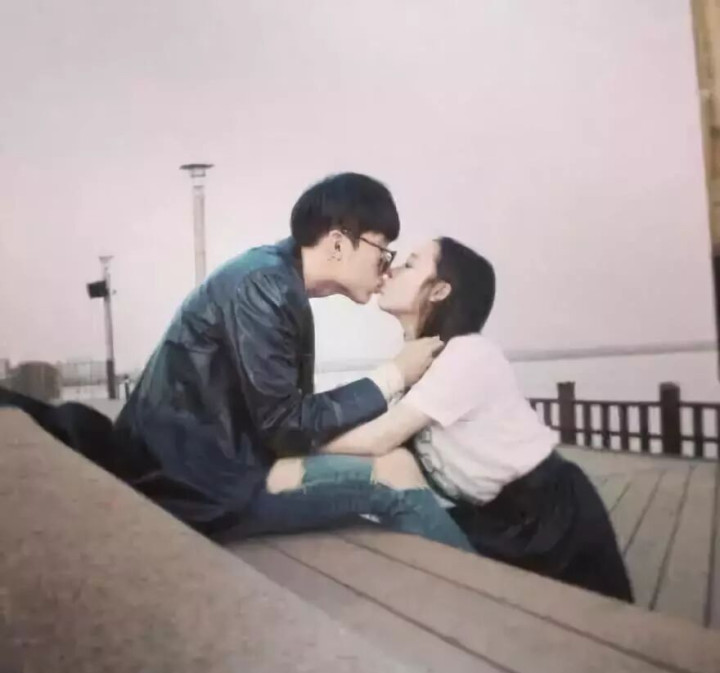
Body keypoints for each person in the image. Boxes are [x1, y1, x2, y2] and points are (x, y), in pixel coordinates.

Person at [111, 172, 471, 546]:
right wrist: (394, 374)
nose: (385, 268)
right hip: (194, 489)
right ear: (338, 244)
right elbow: (285, 427)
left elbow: (284, 419)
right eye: (382, 252)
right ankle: (477, 577)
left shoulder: (271, 277)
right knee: (393, 476)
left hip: (203, 468)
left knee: (394, 464)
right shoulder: (265, 288)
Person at [308, 236, 633, 602]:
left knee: (591, 622)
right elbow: (369, 430)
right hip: (493, 515)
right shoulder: (421, 360)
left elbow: (378, 438)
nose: (391, 270)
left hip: (550, 516)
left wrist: (296, 440)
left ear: (439, 290)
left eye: (410, 264)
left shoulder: (466, 354)